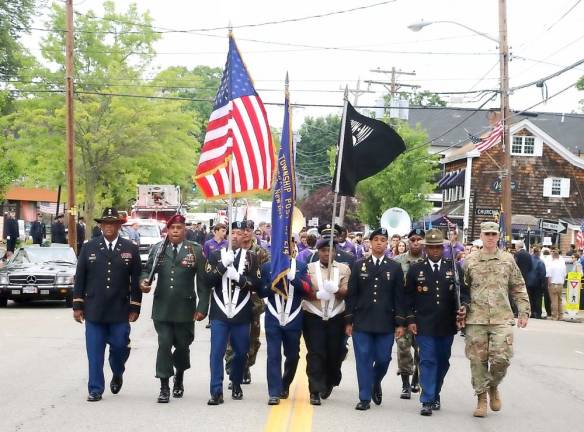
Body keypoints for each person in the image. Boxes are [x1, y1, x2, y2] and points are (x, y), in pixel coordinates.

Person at [71, 207, 142, 402]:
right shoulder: (89, 247)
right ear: (101, 226)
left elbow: (136, 280)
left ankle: (117, 371)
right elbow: (80, 278)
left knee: (119, 347)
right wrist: (77, 305)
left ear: (119, 226)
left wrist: (135, 306)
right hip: (94, 309)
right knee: (94, 354)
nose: (108, 227)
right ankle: (95, 389)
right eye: (105, 223)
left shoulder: (130, 248)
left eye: (112, 223)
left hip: (119, 310)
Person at [462, 221, 530, 417]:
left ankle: (493, 385)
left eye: (493, 234)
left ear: (498, 236)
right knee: (477, 361)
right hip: (476, 318)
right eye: (487, 234)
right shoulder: (470, 261)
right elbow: (463, 291)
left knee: (502, 359)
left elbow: (518, 286)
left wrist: (524, 311)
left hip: (502, 317)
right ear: (481, 236)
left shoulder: (508, 260)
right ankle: (481, 398)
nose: (490, 237)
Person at [140, 214, 210, 403]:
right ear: (167, 230)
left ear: (184, 230)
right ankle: (164, 386)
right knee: (164, 344)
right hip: (162, 307)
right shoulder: (158, 249)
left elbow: (203, 282)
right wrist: (144, 282)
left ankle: (179, 375)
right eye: (172, 228)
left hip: (185, 309)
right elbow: (146, 270)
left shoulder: (194, 250)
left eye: (179, 228)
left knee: (182, 346)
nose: (176, 231)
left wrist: (203, 307)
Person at [404, 229, 468, 416]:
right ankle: (427, 399)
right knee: (427, 360)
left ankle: (435, 392)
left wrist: (463, 305)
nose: (434, 251)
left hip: (447, 324)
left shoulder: (454, 267)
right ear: (426, 249)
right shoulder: (417, 268)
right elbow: (408, 297)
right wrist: (410, 319)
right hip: (424, 323)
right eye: (431, 247)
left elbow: (463, 293)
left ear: (443, 248)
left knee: (442, 361)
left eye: (438, 247)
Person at [345, 227, 405, 411]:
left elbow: (399, 297)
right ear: (370, 243)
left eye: (383, 240)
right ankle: (364, 397)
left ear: (387, 243)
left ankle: (375, 381)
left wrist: (400, 322)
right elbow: (352, 295)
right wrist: (348, 320)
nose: (379, 242)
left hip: (385, 322)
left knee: (383, 358)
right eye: (376, 239)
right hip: (362, 321)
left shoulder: (394, 267)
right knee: (363, 359)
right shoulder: (359, 265)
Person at [205, 221, 262, 405]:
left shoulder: (252, 258)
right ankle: (216, 391)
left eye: (239, 233)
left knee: (241, 352)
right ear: (227, 235)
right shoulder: (215, 255)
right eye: (232, 233)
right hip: (220, 312)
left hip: (241, 311)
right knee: (217, 352)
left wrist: (240, 278)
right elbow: (208, 281)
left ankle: (236, 382)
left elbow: (258, 284)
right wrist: (223, 265)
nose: (235, 236)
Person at [303, 229, 350, 406]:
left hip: (336, 317)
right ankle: (314, 390)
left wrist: (336, 290)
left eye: (330, 250)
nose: (326, 253)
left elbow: (347, 291)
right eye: (323, 250)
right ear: (318, 251)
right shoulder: (309, 268)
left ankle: (330, 380)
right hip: (313, 316)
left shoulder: (344, 268)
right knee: (316, 353)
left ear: (335, 252)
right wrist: (316, 293)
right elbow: (304, 289)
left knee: (334, 353)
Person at [258, 257, 311, 405]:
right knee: (273, 355)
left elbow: (308, 289)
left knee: (293, 355)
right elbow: (261, 292)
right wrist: (273, 284)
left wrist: (294, 280)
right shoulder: (267, 266)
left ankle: (285, 383)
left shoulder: (301, 266)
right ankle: (274, 392)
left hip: (293, 317)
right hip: (273, 316)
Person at [224, 220, 268, 386]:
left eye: (249, 230)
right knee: (231, 340)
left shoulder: (260, 252)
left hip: (253, 303)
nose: (246, 233)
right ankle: (233, 372)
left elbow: (265, 274)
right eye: (242, 230)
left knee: (252, 339)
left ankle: (245, 366)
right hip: (232, 303)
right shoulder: (229, 252)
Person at [394, 228, 426, 399]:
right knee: (403, 348)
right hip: (403, 313)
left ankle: (417, 378)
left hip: (422, 314)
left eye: (419, 240)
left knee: (421, 350)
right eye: (412, 240)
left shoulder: (429, 261)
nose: (415, 243)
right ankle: (405, 384)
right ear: (408, 241)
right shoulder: (398, 261)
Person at [526, 247, 547, 319]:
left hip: (528, 282)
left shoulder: (528, 260)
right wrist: (543, 284)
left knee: (530, 298)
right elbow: (542, 274)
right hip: (537, 283)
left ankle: (531, 312)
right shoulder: (540, 262)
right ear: (538, 253)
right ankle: (538, 313)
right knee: (538, 298)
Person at [547, 251, 567, 321]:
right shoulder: (563, 265)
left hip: (553, 283)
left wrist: (548, 285)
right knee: (560, 300)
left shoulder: (551, 264)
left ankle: (554, 316)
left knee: (554, 301)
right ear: (558, 256)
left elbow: (549, 276)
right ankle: (561, 316)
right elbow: (565, 275)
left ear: (553, 256)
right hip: (560, 284)